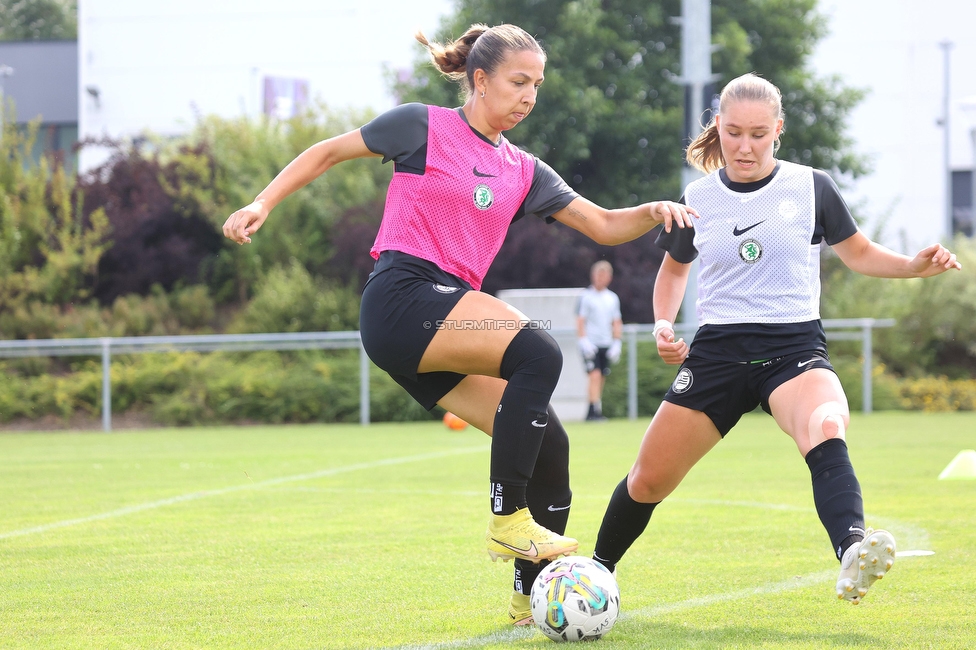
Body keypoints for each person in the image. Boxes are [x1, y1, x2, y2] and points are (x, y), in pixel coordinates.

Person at [221, 23, 697, 624]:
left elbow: (602, 224)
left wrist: (654, 210)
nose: (529, 96)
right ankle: (506, 519)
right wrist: (261, 202)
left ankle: (530, 601)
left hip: (443, 321)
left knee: (550, 444)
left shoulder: (523, 169)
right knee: (540, 351)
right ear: (479, 79)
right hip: (401, 300)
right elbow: (326, 153)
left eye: (537, 86)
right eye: (517, 82)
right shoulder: (421, 125)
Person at [590, 73, 962, 605]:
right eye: (734, 132)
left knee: (826, 422)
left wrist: (912, 267)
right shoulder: (696, 198)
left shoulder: (812, 187)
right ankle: (595, 573)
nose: (744, 146)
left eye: (758, 134)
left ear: (778, 131)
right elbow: (674, 271)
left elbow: (857, 253)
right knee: (648, 480)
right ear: (717, 126)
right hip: (718, 352)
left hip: (794, 349)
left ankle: (853, 548)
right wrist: (664, 325)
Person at [577, 260, 623, 421]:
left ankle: (597, 408)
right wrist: (584, 340)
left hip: (606, 343)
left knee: (601, 377)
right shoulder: (586, 297)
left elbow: (616, 321)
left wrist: (617, 342)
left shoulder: (612, 298)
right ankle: (591, 410)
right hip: (591, 343)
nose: (600, 278)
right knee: (594, 375)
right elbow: (580, 320)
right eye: (598, 274)